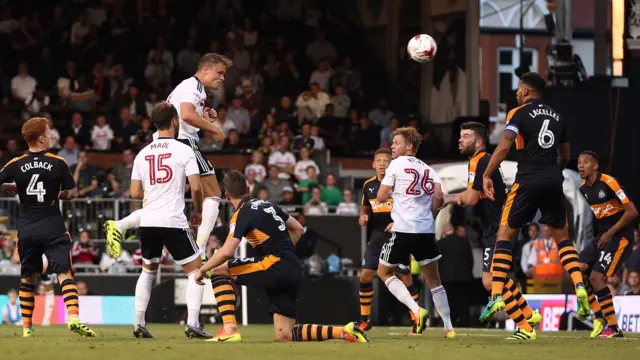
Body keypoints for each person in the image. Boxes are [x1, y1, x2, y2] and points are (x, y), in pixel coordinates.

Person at [194, 171, 369, 343]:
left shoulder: (241, 214)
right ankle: (345, 332)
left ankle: (229, 329)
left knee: (217, 270)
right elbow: (298, 228)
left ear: (226, 194)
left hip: (275, 263)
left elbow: (226, 252)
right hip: (292, 265)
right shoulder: (268, 205)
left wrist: (203, 269)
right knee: (285, 334)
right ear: (248, 188)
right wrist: (285, 252)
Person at [480, 72, 588, 340]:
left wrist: (486, 174)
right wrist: (551, 173)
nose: (517, 93)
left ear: (527, 92)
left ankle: (495, 296)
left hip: (527, 180)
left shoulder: (518, 113)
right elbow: (565, 156)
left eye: (519, 89)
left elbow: (505, 145)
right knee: (562, 237)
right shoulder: (558, 116)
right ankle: (579, 284)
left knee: (505, 233)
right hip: (554, 180)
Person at [105, 53, 229, 264]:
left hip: (162, 144)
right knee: (214, 194)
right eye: (220, 72)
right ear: (206, 69)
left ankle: (120, 225)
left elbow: (184, 114)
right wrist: (214, 128)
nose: (223, 78)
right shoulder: (193, 86)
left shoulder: (189, 88)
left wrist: (204, 117)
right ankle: (200, 248)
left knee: (162, 206)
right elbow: (187, 114)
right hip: (182, 143)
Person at [0, 117, 96, 337]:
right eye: (49, 131)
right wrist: (59, 193)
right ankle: (73, 317)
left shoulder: (15, 163)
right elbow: (72, 193)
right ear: (41, 137)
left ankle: (27, 329)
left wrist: (12, 187)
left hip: (27, 229)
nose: (52, 134)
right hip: (53, 225)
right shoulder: (58, 162)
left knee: (28, 278)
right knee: (64, 272)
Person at [444, 122, 541, 329]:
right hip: (495, 227)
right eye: (460, 136)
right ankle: (528, 314)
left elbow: (469, 199)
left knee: (491, 281)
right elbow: (475, 196)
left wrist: (447, 198)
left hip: (501, 228)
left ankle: (525, 327)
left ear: (479, 142)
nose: (460, 139)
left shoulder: (480, 161)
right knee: (496, 278)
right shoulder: (481, 161)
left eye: (466, 136)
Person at [129, 102, 210, 339]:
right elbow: (196, 187)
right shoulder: (184, 150)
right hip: (172, 220)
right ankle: (193, 323)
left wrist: (155, 195)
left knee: (148, 271)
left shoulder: (142, 153)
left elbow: (134, 193)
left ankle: (138, 324)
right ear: (175, 121)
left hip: (148, 221)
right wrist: (198, 211)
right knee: (196, 271)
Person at [375, 127, 455, 338]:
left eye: (396, 142)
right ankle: (449, 327)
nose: (392, 146)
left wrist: (395, 195)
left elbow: (382, 197)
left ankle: (417, 310)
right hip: (426, 230)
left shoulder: (396, 164)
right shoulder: (430, 170)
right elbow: (439, 198)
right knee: (435, 281)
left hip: (403, 229)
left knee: (384, 273)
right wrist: (426, 212)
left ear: (409, 146)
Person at [576, 150, 638, 338]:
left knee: (597, 278)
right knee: (577, 270)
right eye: (579, 162)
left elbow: (632, 212)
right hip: (604, 236)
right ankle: (599, 315)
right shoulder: (583, 189)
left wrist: (610, 233)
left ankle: (614, 328)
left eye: (585, 162)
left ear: (595, 166)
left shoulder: (609, 182)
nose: (580, 165)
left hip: (621, 236)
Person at [357, 148, 418, 333]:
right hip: (377, 235)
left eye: (386, 160)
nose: (383, 163)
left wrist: (397, 221)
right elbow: (365, 208)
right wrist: (363, 217)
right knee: (365, 275)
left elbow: (411, 207)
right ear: (373, 164)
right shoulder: (368, 185)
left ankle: (416, 319)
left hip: (399, 233)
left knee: (405, 276)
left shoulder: (399, 183)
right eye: (379, 160)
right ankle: (364, 319)